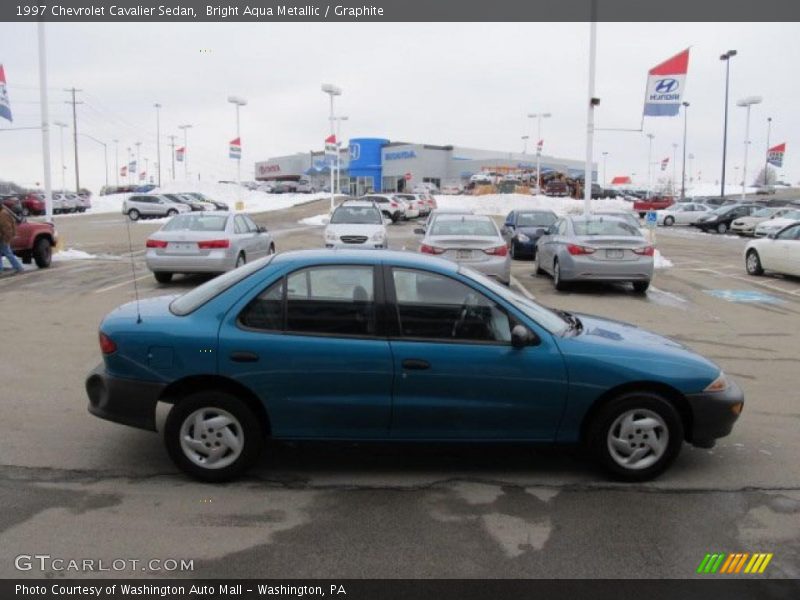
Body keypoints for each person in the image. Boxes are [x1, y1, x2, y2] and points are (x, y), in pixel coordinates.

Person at [0, 203, 24, 274]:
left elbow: (7, 228)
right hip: (3, 237)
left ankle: (18, 268)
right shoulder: (3, 213)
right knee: (6, 252)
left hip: (3, 238)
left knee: (8, 253)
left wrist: (5, 238)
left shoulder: (3, 215)